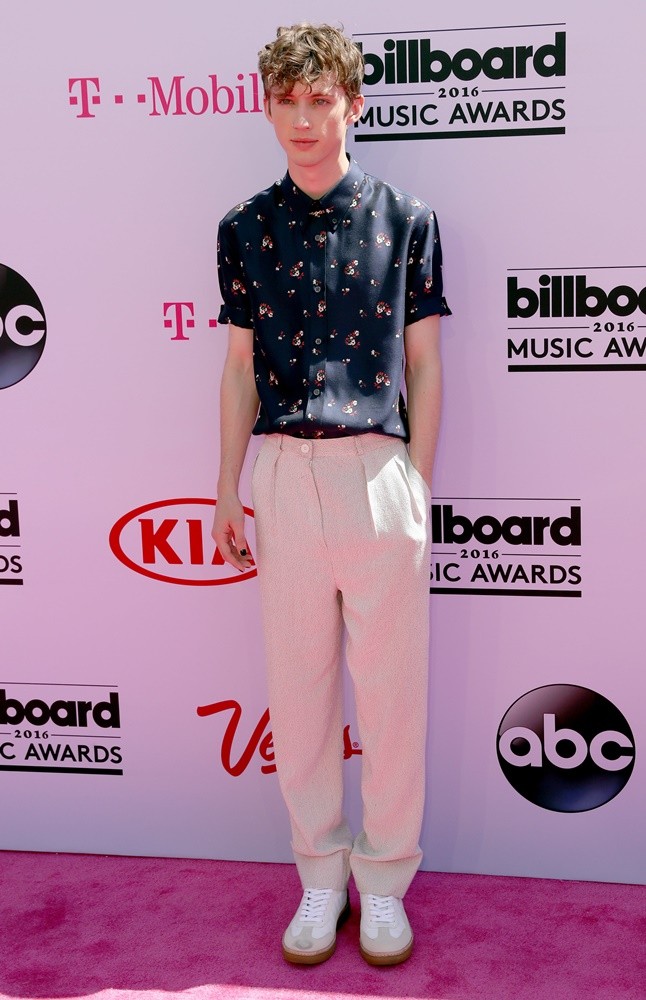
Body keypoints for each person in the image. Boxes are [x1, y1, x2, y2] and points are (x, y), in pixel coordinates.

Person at [212, 22, 450, 967]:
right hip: (284, 474)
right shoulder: (242, 227)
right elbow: (236, 371)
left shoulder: (407, 218)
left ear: (354, 103)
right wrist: (224, 490)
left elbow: (425, 364)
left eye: (322, 100)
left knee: (392, 698)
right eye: (286, 100)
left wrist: (415, 482)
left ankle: (384, 883)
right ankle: (321, 878)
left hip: (378, 473)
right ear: (265, 105)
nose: (303, 120)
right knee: (298, 693)